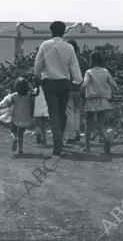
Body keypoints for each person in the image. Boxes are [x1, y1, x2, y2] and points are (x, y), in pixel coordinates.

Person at [33, 21, 83, 155]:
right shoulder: (69, 47)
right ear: (64, 32)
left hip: (49, 84)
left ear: (51, 32)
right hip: (64, 84)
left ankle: (57, 144)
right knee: (62, 113)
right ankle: (59, 140)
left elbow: (38, 65)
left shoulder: (45, 45)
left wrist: (37, 76)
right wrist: (76, 81)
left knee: (53, 113)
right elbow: (75, 68)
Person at [81, 51, 118, 153]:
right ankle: (106, 138)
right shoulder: (105, 71)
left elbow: (85, 84)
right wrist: (115, 93)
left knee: (88, 124)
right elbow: (114, 85)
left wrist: (81, 93)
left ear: (91, 60)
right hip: (103, 100)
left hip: (91, 100)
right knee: (101, 124)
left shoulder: (89, 72)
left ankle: (87, 147)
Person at [0, 77, 33, 154]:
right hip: (25, 117)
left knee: (13, 131)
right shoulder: (28, 95)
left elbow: (9, 105)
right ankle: (20, 149)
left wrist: (3, 104)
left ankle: (14, 138)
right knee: (21, 134)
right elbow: (34, 97)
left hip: (16, 117)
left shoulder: (14, 96)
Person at [64, 40, 89, 143]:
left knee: (69, 112)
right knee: (77, 111)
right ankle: (77, 132)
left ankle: (71, 136)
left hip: (69, 89)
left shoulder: (66, 60)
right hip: (80, 89)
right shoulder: (83, 60)